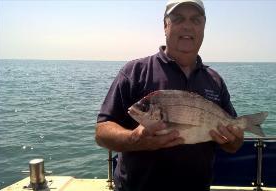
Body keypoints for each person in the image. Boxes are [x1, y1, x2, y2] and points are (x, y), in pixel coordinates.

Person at [95, 0, 244, 190]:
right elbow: (102, 132)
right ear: (166, 25)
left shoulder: (215, 81)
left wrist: (233, 139)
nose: (187, 26)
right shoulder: (135, 72)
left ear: (204, 27)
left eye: (195, 20)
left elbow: (234, 145)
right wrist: (134, 139)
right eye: (179, 18)